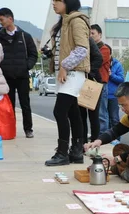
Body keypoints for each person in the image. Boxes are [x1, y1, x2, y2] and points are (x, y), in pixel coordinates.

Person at [43, 0, 90, 166]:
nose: (53, 4)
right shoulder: (63, 22)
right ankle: (76, 152)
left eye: (57, 1)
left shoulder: (76, 20)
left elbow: (82, 49)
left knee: (59, 111)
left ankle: (62, 153)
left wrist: (64, 66)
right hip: (65, 73)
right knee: (73, 113)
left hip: (73, 73)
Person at [0, 7, 38, 138]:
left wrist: (27, 66)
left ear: (10, 19)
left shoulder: (24, 36)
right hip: (6, 77)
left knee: (25, 104)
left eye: (2, 20)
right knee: (9, 105)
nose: (0, 23)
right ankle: (11, 128)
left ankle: (28, 129)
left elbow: (33, 54)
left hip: (22, 76)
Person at [77, 36, 102, 150]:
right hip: (79, 83)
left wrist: (89, 73)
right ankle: (82, 143)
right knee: (81, 115)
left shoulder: (88, 40)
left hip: (92, 83)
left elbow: (98, 58)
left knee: (94, 115)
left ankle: (94, 143)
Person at [90, 24, 111, 132]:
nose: (90, 36)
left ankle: (102, 134)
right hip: (92, 82)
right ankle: (96, 133)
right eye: (89, 33)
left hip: (101, 83)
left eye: (93, 33)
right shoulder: (90, 48)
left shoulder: (105, 49)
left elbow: (98, 61)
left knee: (102, 112)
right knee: (93, 111)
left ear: (100, 34)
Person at [106, 57, 124, 129]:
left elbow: (121, 79)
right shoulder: (101, 64)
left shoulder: (117, 65)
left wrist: (111, 75)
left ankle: (116, 138)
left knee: (114, 118)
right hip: (102, 96)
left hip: (113, 96)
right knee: (104, 118)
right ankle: (105, 137)